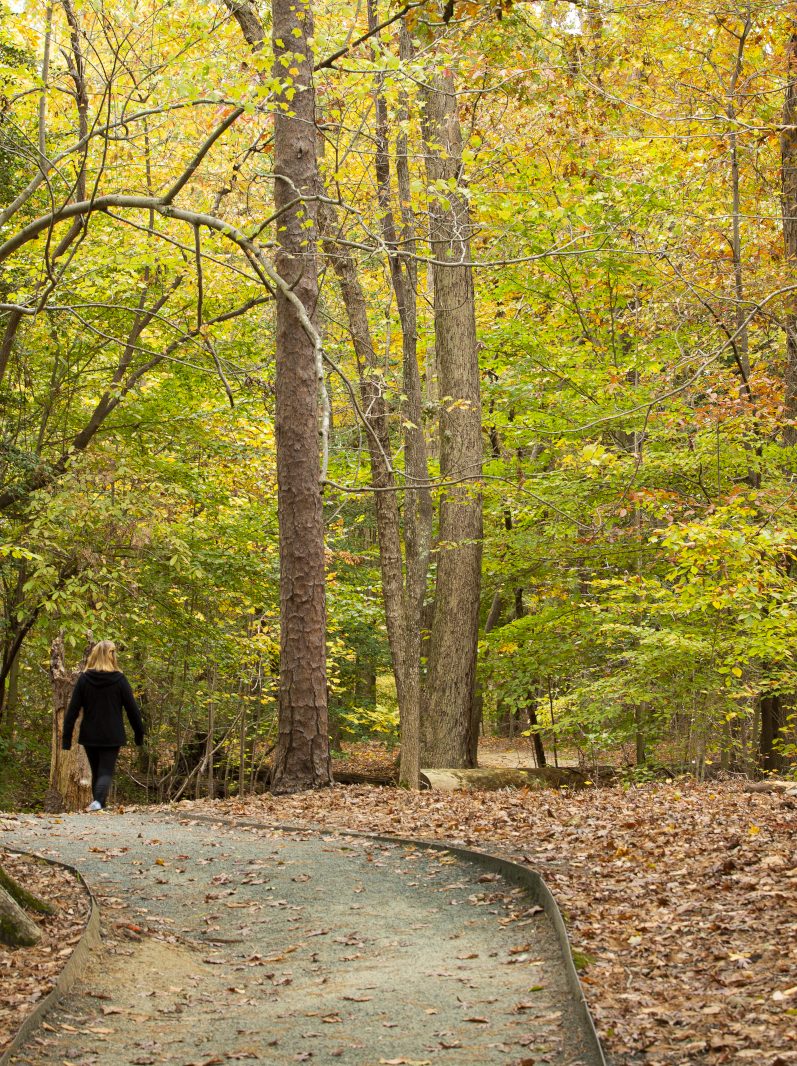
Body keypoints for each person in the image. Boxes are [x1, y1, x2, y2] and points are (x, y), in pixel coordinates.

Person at [62, 640, 145, 812]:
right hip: (112, 734)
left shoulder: (84, 679)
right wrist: (139, 734)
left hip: (90, 734)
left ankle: (99, 804)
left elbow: (72, 711)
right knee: (105, 771)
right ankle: (99, 803)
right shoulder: (120, 680)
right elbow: (133, 710)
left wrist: (66, 738)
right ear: (112, 655)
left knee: (97, 771)